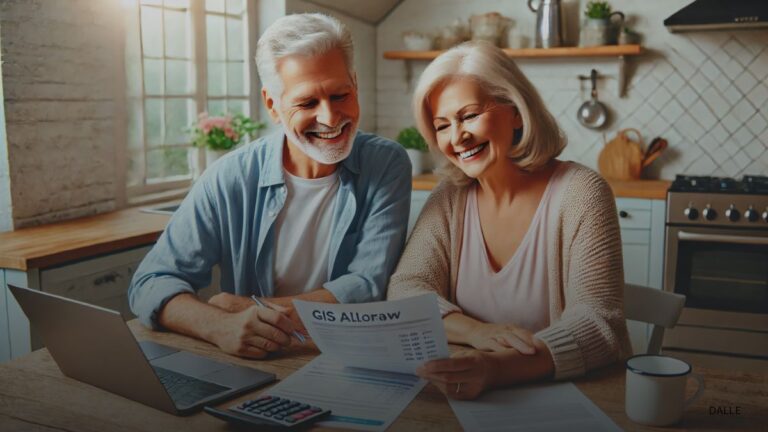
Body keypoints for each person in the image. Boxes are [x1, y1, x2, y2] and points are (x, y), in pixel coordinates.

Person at [129, 13, 411, 359]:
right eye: (307, 103)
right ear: (272, 106)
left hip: (355, 354)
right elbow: (150, 282)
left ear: (355, 82)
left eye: (341, 94)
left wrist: (251, 306)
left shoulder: (387, 164)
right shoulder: (230, 175)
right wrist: (218, 325)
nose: (330, 117)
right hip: (259, 360)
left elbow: (369, 284)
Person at [387, 41, 630, 400]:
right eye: (442, 125)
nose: (457, 137)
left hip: (568, 397)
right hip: (468, 391)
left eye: (469, 115)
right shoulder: (449, 198)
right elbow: (406, 287)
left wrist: (497, 368)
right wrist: (474, 333)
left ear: (516, 111)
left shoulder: (581, 192)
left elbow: (598, 323)